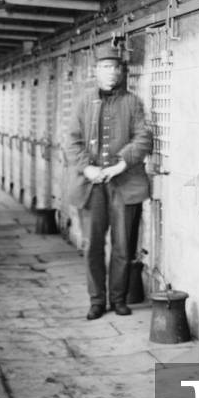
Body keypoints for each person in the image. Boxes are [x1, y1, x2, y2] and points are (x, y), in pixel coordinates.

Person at [65, 53, 152, 320]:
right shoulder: (83, 103)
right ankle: (96, 300)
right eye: (105, 67)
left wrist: (120, 164)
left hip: (124, 183)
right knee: (92, 246)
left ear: (121, 72)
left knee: (123, 246)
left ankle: (118, 299)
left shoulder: (133, 102)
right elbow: (71, 140)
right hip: (91, 186)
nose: (111, 72)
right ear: (96, 71)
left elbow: (143, 138)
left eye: (115, 67)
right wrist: (87, 168)